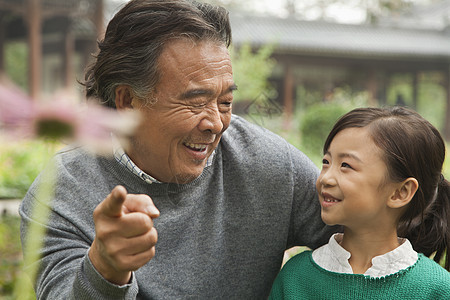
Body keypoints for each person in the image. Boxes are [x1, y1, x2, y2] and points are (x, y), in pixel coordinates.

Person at [19, 0, 335, 298]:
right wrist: (105, 270)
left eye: (225, 102)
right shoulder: (61, 192)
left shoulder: (267, 164)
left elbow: (369, 235)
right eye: (195, 101)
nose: (216, 123)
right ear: (128, 101)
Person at [269, 106, 450, 299]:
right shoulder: (295, 278)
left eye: (346, 165)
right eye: (326, 162)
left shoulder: (437, 289)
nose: (325, 178)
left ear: (400, 192)